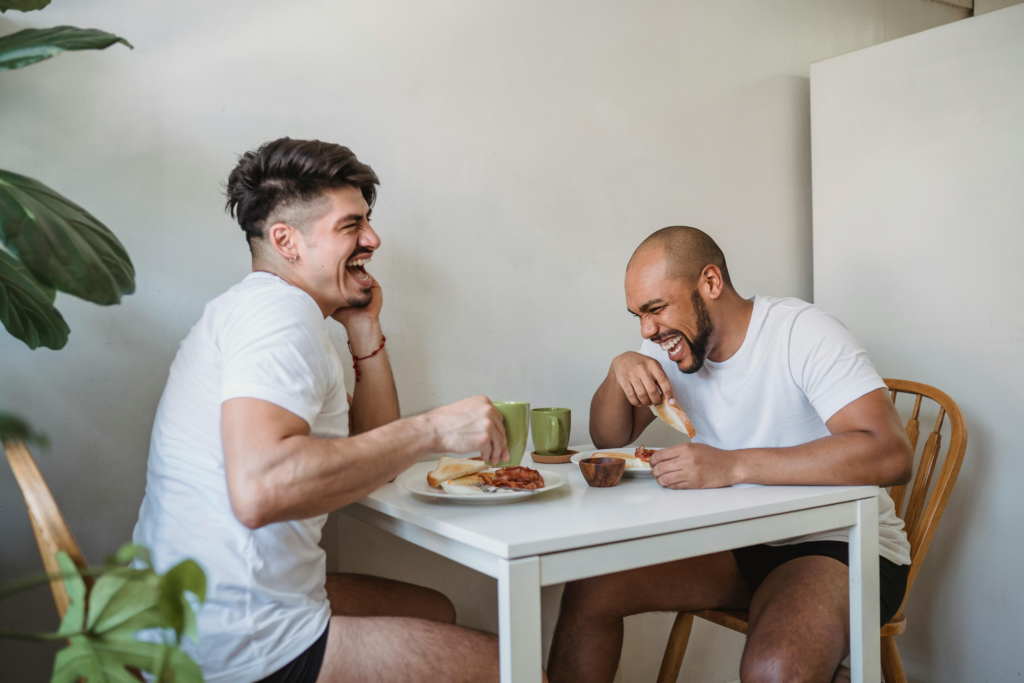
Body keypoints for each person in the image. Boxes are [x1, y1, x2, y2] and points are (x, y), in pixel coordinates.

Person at [133, 138, 510, 683]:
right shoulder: (277, 320)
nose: (374, 239)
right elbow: (262, 488)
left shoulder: (266, 310)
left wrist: (364, 328)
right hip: (231, 644)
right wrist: (432, 428)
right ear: (287, 241)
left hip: (183, 614)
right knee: (514, 668)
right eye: (351, 225)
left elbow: (371, 460)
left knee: (435, 610)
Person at [548, 226, 914, 683]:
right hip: (738, 542)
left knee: (775, 668)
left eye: (655, 309)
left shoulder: (800, 331)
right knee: (591, 587)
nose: (647, 329)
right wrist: (618, 370)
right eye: (638, 316)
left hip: (843, 545)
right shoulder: (669, 344)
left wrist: (734, 464)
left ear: (711, 282)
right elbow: (611, 437)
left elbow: (891, 455)